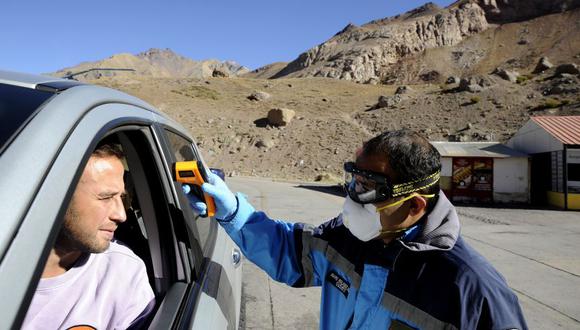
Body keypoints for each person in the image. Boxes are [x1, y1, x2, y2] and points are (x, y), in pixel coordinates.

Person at [186, 129, 528, 329]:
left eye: (368, 187)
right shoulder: (347, 239)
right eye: (354, 180)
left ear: (414, 206)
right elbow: (290, 254)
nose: (352, 196)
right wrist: (233, 211)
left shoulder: (472, 291)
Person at [22, 141, 155, 330]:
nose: (121, 215)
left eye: (122, 198)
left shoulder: (123, 274)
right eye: (106, 197)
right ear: (54, 195)